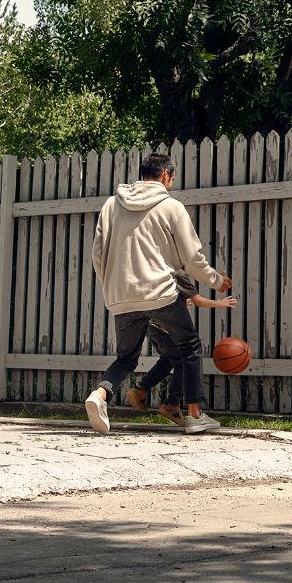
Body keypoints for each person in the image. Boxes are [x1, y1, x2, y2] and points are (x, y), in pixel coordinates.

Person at [83, 152, 231, 434]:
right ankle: (194, 415)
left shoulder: (112, 204)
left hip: (121, 295)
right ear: (165, 175)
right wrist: (215, 280)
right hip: (160, 293)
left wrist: (112, 287)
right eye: (171, 178)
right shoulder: (172, 207)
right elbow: (192, 257)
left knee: (126, 358)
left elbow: (98, 254)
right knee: (189, 347)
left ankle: (100, 394)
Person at [126, 272, 239, 425]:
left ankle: (141, 389)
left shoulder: (156, 272)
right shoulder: (178, 273)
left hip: (152, 327)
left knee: (167, 361)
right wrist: (220, 303)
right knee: (183, 363)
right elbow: (198, 300)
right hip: (165, 330)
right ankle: (172, 404)